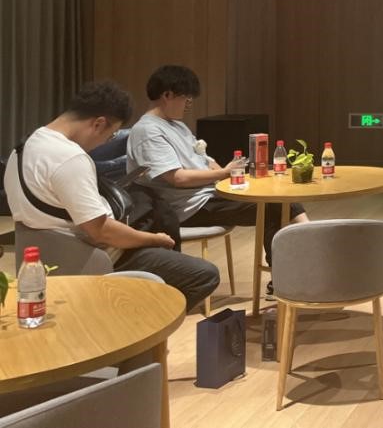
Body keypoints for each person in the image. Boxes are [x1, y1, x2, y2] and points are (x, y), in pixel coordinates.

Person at [3, 81, 219, 311]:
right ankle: (137, 325)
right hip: (93, 256)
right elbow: (101, 231)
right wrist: (154, 239)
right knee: (204, 275)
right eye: (109, 136)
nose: (103, 144)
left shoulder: (23, 147)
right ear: (98, 124)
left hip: (51, 253)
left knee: (150, 205)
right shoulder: (69, 158)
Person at [127, 65, 308, 295]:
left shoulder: (176, 125)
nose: (189, 104)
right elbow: (177, 178)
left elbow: (204, 159)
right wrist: (223, 174)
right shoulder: (147, 130)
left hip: (208, 194)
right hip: (188, 205)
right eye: (186, 98)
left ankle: (303, 255)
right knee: (273, 206)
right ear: (168, 95)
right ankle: (290, 275)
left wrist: (228, 174)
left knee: (278, 197)